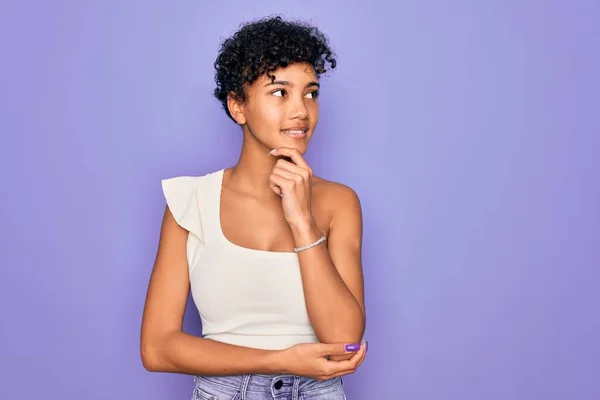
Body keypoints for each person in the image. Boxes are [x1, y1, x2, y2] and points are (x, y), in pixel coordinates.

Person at [140, 15, 367, 400]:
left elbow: (345, 340)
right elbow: (157, 347)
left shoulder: (338, 203)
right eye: (280, 92)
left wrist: (302, 221)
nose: (301, 111)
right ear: (238, 106)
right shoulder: (190, 202)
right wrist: (280, 359)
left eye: (310, 93)